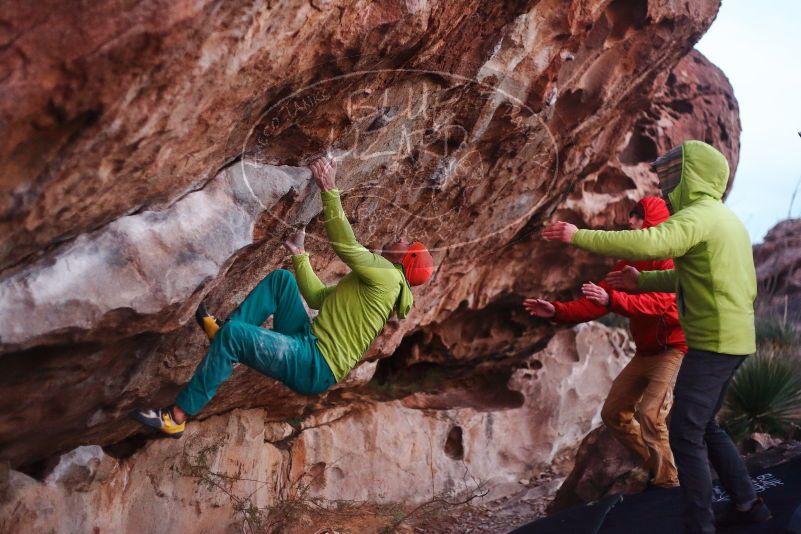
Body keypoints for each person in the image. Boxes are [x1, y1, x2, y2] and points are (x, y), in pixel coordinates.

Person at [542, 140, 771, 533]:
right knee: (706, 426)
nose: (666, 186)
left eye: (672, 175)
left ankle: (700, 524)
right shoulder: (723, 218)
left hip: (713, 342)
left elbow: (651, 241)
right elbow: (695, 274)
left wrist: (579, 236)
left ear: (692, 176)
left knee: (684, 432)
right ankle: (750, 506)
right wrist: (642, 279)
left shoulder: (699, 216)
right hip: (730, 339)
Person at [130, 157, 434, 438]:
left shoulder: (389, 276)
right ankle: (223, 333)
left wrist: (328, 187)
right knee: (282, 281)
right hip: (309, 346)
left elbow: (346, 245)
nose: (401, 237)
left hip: (314, 363)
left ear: (404, 260)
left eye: (407, 244)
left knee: (235, 337)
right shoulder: (377, 285)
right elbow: (316, 298)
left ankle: (178, 416)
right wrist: (300, 257)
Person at [525, 196, 686, 488]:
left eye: (638, 216)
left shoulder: (670, 260)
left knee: (650, 414)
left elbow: (663, 304)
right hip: (646, 351)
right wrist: (557, 311)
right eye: (632, 215)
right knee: (614, 413)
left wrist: (614, 299)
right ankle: (657, 467)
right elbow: (596, 303)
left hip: (673, 350)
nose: (631, 221)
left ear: (653, 223)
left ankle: (668, 484)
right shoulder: (629, 262)